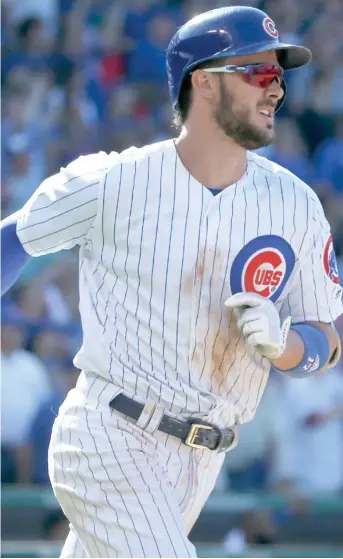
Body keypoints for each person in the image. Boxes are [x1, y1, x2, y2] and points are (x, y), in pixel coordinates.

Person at [1, 6, 342, 558]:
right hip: (109, 435)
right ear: (203, 82)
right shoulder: (114, 180)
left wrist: (286, 348)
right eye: (258, 72)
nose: (275, 89)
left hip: (202, 460)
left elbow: (327, 340)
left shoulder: (294, 204)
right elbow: (12, 242)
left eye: (279, 75)